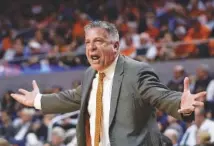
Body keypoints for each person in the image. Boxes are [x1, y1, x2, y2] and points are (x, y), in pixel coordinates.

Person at [11, 21, 206, 146]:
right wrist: (37, 100)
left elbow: (159, 94)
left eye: (98, 41)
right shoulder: (90, 74)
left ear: (115, 46)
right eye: (87, 42)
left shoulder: (136, 71)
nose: (91, 47)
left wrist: (181, 103)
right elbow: (72, 97)